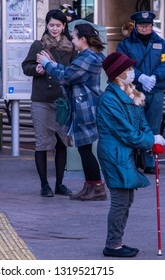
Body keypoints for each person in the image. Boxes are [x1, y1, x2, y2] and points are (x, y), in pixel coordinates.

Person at [97, 52, 165, 257]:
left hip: (124, 153)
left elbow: (141, 121)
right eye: (127, 69)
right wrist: (149, 141)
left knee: (127, 200)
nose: (132, 72)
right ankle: (113, 245)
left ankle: (116, 241)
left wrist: (150, 135)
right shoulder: (110, 99)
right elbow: (126, 132)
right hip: (115, 154)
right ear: (118, 74)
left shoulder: (130, 92)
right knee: (120, 201)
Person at [37, 23, 107, 201]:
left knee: (85, 149)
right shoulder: (87, 55)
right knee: (84, 148)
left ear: (83, 39)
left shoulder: (89, 57)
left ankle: (97, 186)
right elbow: (70, 72)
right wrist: (52, 64)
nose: (72, 40)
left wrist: (47, 64)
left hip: (85, 108)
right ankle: (90, 185)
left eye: (74, 37)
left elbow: (66, 77)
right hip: (82, 107)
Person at [22, 9, 77, 197]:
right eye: (51, 25)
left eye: (58, 25)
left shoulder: (71, 47)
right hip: (41, 100)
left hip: (62, 101)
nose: (54, 28)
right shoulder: (39, 45)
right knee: (42, 143)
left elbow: (74, 71)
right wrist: (37, 69)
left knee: (62, 143)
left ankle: (60, 184)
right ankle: (44, 184)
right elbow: (26, 67)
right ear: (46, 25)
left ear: (64, 27)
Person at [117, 11, 165, 174]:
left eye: (148, 26)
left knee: (153, 126)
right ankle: (133, 159)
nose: (144, 29)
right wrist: (141, 77)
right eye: (142, 26)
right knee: (133, 124)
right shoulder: (125, 44)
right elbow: (122, 64)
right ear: (136, 26)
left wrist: (155, 77)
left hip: (155, 90)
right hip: (134, 89)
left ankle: (150, 161)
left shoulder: (160, 43)